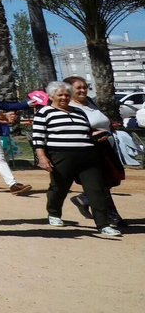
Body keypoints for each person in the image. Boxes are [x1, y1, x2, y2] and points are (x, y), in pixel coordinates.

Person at [33, 81, 123, 237]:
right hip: (60, 155)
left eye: (67, 95)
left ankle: (103, 224)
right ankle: (54, 213)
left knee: (96, 189)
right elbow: (38, 137)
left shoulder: (79, 112)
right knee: (59, 186)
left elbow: (86, 131)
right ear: (51, 96)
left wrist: (97, 135)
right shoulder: (45, 112)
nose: (64, 98)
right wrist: (42, 156)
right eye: (60, 95)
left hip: (88, 155)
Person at [65, 76, 125, 223]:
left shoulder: (90, 102)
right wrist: (91, 133)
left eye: (84, 87)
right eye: (78, 87)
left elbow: (101, 119)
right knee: (102, 182)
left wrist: (109, 129)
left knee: (111, 179)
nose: (83, 90)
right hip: (89, 149)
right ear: (69, 90)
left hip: (106, 147)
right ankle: (112, 216)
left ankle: (84, 199)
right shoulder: (70, 107)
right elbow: (71, 128)